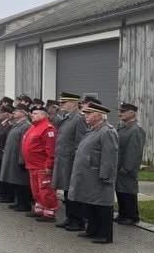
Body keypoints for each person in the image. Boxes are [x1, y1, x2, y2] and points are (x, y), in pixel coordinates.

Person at [68, 101, 119, 244]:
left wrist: (105, 175)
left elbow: (109, 156)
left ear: (99, 115)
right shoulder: (93, 130)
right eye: (85, 113)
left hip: (98, 175)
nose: (86, 116)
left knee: (102, 205)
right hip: (88, 175)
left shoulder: (107, 131)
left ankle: (104, 234)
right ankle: (92, 230)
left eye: (89, 113)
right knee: (90, 204)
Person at [51, 92, 89, 231]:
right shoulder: (67, 118)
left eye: (64, 102)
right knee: (67, 191)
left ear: (73, 103)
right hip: (63, 160)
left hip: (71, 161)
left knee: (73, 192)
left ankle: (77, 221)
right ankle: (70, 217)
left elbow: (80, 142)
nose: (61, 105)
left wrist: (76, 161)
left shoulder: (79, 119)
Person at [21, 103, 59, 220]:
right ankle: (40, 208)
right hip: (32, 165)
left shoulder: (48, 128)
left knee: (45, 189)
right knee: (36, 189)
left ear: (43, 115)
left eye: (36, 113)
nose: (32, 115)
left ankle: (49, 211)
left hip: (42, 165)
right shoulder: (33, 127)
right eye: (32, 113)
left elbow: (51, 150)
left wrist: (49, 165)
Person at [115, 101, 146, 225]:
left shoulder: (136, 130)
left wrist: (127, 167)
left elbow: (134, 151)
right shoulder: (122, 127)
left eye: (123, 111)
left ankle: (132, 216)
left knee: (128, 191)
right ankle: (123, 213)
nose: (120, 114)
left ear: (132, 113)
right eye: (120, 111)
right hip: (119, 166)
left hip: (128, 168)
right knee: (120, 190)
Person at [0, 102, 32, 212]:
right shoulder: (18, 124)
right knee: (15, 180)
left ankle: (24, 204)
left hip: (19, 158)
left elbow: (25, 144)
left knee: (21, 181)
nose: (14, 112)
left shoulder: (26, 125)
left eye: (17, 111)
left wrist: (22, 159)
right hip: (12, 157)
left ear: (23, 113)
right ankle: (18, 202)